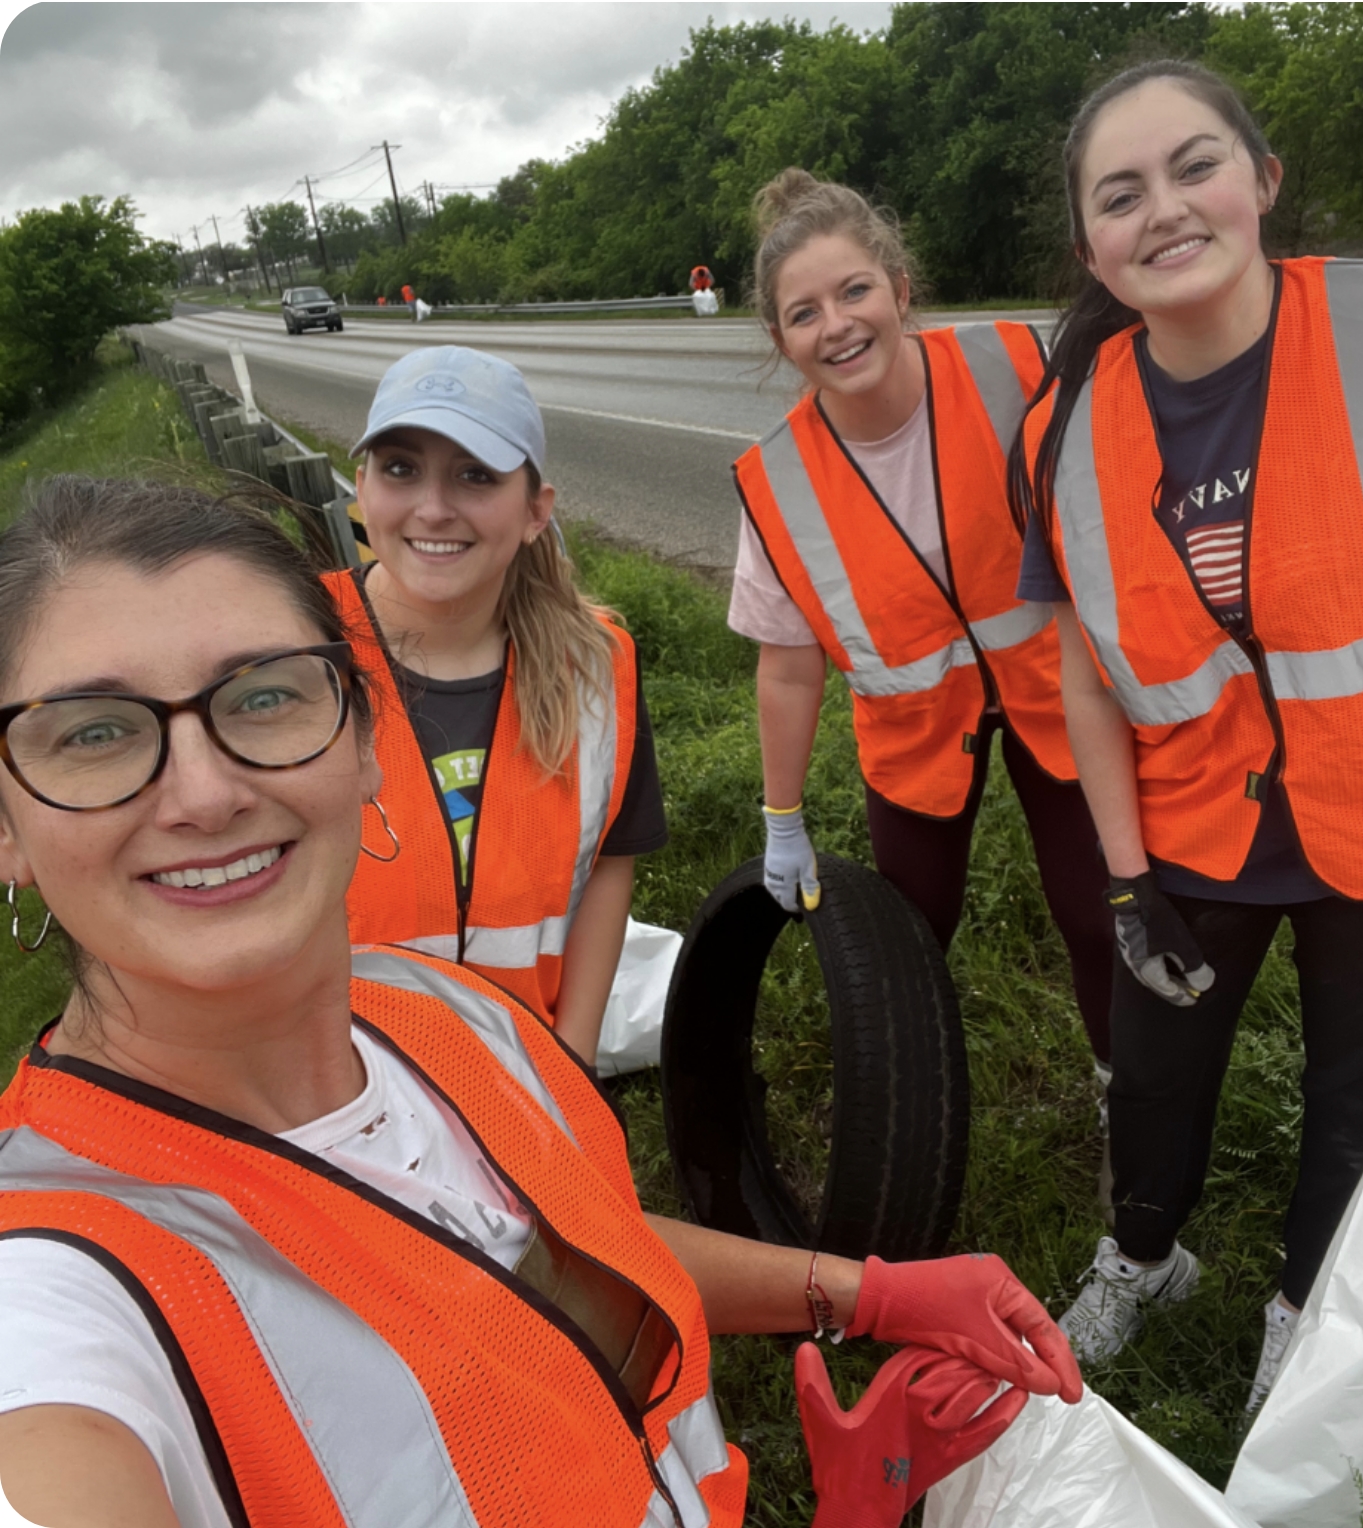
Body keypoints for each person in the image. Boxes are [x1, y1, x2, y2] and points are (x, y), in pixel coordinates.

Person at [0, 477, 1080, 1526]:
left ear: (366, 742)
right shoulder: (54, 1285)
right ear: (8, 828)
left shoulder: (447, 1012)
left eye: (265, 694)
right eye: (94, 731)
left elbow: (553, 1245)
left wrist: (870, 1294)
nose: (205, 791)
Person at [1008, 59, 1363, 1413]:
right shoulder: (1063, 421)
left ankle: (1302, 1307)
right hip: (1195, 827)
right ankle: (1144, 1258)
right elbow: (1087, 676)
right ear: (1091, 241)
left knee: (1360, 1099)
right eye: (1121, 192)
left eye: (1195, 164)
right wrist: (1119, 874)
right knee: (1152, 1081)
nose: (1164, 208)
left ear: (1263, 180)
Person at [729, 168, 1117, 1091]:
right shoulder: (774, 480)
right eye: (805, 313)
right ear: (781, 342)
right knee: (909, 927)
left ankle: (1121, 1092)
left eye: (855, 290)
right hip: (911, 733)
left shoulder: (1018, 365)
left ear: (902, 289)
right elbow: (788, 672)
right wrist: (782, 821)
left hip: (1064, 692)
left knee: (1099, 912)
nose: (839, 325)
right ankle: (913, 1107)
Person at [328, 346, 667, 1066]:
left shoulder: (594, 667)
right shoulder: (295, 650)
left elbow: (610, 866)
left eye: (475, 475)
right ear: (361, 486)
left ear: (536, 511)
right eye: (400, 468)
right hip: (341, 1096)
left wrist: (570, 1065)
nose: (433, 507)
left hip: (528, 1077)